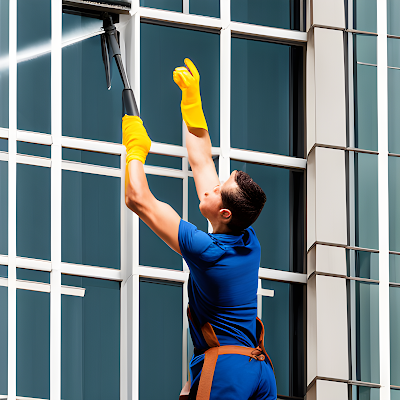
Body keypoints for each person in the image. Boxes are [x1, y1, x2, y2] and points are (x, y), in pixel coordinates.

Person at [123, 58, 277, 400]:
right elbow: (202, 159)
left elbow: (138, 198)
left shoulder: (208, 251)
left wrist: (135, 151)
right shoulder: (245, 238)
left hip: (229, 370)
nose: (208, 186)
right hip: (259, 372)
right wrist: (192, 102)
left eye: (216, 189)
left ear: (222, 211)